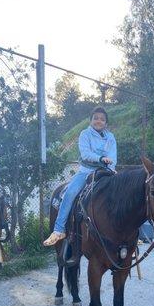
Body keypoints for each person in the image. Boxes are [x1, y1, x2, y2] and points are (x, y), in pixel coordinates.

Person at [43, 106, 117, 247]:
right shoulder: (85, 134)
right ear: (90, 121)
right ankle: (59, 230)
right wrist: (101, 158)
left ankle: (125, 230)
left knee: (123, 192)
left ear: (106, 123)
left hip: (106, 171)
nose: (99, 121)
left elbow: (113, 157)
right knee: (70, 193)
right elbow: (85, 154)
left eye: (102, 119)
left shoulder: (111, 137)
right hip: (86, 171)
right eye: (95, 118)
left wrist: (111, 169)